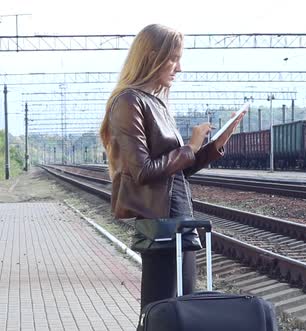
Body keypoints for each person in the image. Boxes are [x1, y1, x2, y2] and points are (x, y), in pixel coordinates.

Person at [99, 24, 245, 315]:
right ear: (152, 56)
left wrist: (213, 146)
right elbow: (143, 171)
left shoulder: (158, 104)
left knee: (182, 310)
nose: (179, 67)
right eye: (173, 58)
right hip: (160, 226)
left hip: (179, 222)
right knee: (162, 310)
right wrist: (189, 147)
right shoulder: (129, 102)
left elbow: (175, 174)